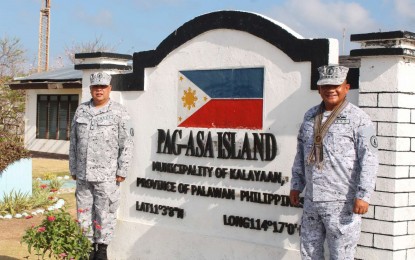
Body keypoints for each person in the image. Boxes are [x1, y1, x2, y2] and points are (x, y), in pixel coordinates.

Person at [290, 65, 378, 259]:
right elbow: (301, 152)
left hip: (342, 203)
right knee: (309, 253)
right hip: (312, 201)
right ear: (319, 89)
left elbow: (370, 159)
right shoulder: (310, 116)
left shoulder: (360, 119)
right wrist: (296, 185)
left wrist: (364, 195)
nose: (331, 90)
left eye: (336, 85)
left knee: (341, 255)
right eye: (326, 85)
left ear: (346, 87)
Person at [69, 71, 134, 260]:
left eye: (103, 87)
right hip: (82, 173)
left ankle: (102, 249)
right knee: (83, 211)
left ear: (109, 89)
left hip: (107, 175)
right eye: (96, 87)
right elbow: (73, 141)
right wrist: (73, 167)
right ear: (90, 89)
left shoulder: (119, 112)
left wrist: (122, 169)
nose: (99, 90)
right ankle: (86, 247)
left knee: (105, 211)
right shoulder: (81, 110)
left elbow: (127, 142)